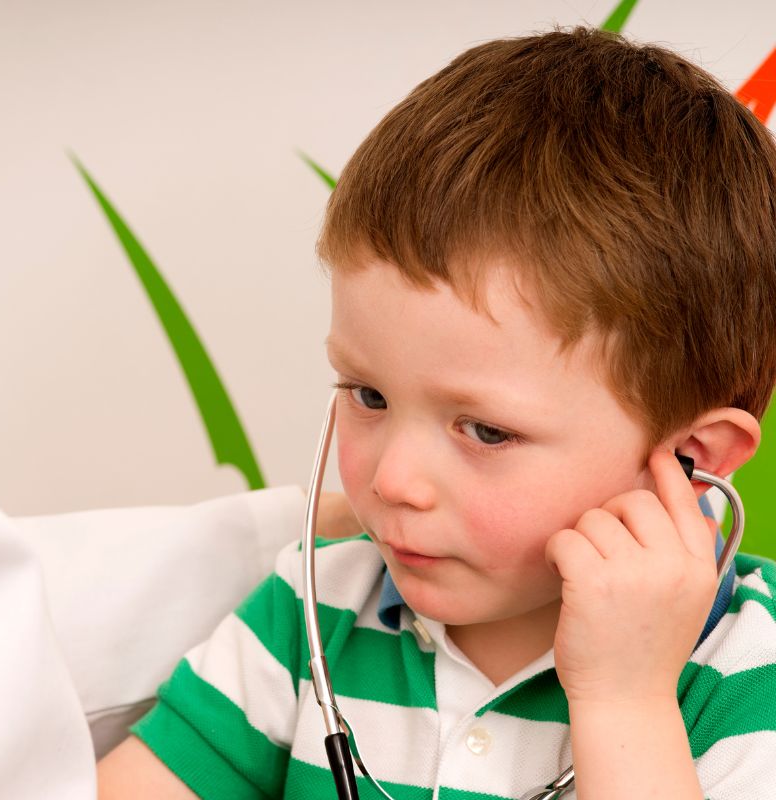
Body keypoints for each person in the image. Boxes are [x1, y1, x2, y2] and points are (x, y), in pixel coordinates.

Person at [97, 27, 776, 799]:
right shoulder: (310, 608)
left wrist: (626, 701)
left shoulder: (747, 681)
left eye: (486, 430)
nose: (392, 481)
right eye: (368, 395)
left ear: (694, 458)